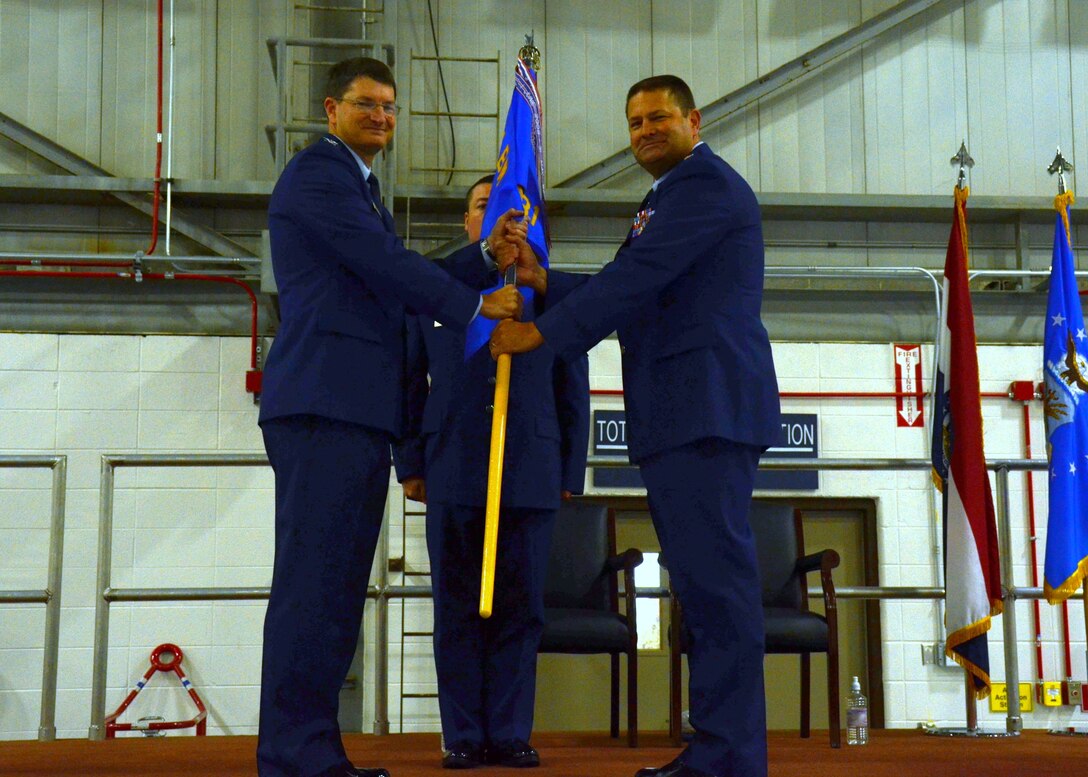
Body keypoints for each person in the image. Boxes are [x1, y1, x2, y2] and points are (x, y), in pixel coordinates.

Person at [490, 75, 781, 777]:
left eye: (659, 117)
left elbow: (635, 281)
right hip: (681, 412)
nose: (645, 130)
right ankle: (719, 746)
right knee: (704, 589)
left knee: (717, 589)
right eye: (635, 122)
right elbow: (629, 282)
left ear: (693, 119)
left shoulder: (704, 187)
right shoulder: (667, 197)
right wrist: (540, 280)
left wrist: (542, 336)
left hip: (704, 408)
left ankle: (731, 754)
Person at [258, 57, 525, 777]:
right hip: (324, 404)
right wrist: (475, 300)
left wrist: (479, 257)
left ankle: (310, 751)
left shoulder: (361, 189)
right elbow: (386, 266)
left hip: (346, 409)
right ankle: (294, 755)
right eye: (366, 103)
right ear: (330, 108)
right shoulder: (321, 173)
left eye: (389, 106)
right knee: (315, 588)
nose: (381, 115)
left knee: (334, 590)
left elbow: (391, 264)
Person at [393, 175, 590, 770]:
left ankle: (507, 731)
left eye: (515, 212)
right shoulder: (435, 290)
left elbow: (572, 388)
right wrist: (410, 463)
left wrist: (569, 470)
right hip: (451, 467)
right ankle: (462, 735)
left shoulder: (547, 294)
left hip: (530, 469)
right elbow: (406, 382)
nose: (504, 221)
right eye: (487, 208)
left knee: (520, 608)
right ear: (467, 221)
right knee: (455, 606)